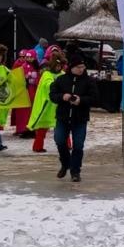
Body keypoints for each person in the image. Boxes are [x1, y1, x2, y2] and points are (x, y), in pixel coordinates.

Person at [51, 47, 101, 181]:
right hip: (63, 117)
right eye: (78, 67)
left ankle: (75, 171)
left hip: (80, 118)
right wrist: (63, 97)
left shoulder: (89, 81)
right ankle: (65, 163)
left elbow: (95, 98)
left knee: (78, 145)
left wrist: (81, 100)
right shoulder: (61, 80)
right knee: (60, 140)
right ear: (71, 67)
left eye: (83, 66)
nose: (81, 69)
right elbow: (52, 95)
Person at [28, 46, 64, 152]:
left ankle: (66, 145)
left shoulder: (62, 74)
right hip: (47, 106)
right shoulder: (47, 74)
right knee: (42, 127)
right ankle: (37, 146)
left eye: (60, 65)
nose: (58, 68)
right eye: (57, 65)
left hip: (59, 105)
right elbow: (48, 84)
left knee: (63, 126)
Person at [8, 48, 35, 137]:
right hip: (20, 91)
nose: (22, 58)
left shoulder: (33, 65)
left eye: (24, 57)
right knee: (19, 111)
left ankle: (26, 129)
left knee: (27, 111)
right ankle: (20, 128)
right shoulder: (18, 64)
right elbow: (13, 76)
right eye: (21, 57)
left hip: (29, 90)